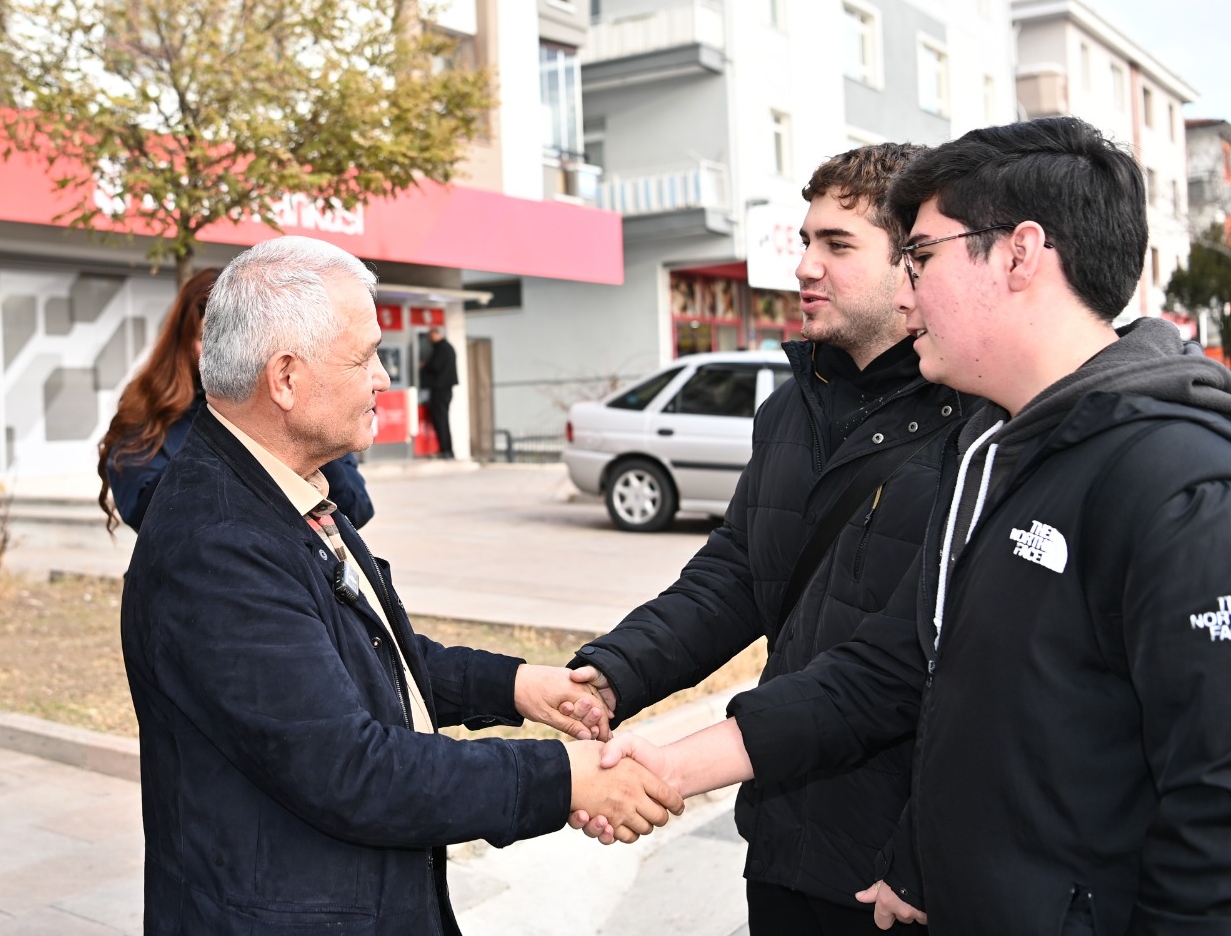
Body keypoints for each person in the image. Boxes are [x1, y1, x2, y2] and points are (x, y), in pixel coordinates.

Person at [587, 118, 1231, 934]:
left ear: (1018, 255)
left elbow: (1213, 816)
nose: (907, 289)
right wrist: (672, 763)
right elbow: (892, 673)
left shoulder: (1176, 476)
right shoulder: (993, 454)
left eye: (921, 256)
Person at [121, 236, 683, 935]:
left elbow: (364, 658)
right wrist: (567, 778)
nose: (383, 378)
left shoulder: (280, 490)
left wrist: (514, 687)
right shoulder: (218, 546)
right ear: (286, 379)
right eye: (364, 358)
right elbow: (349, 769)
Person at [564, 143, 966, 934]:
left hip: (906, 870)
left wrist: (681, 762)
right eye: (805, 242)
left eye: (838, 245)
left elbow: (914, 667)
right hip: (785, 839)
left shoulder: (978, 423)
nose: (805, 267)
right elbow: (738, 575)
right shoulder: (791, 409)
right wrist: (609, 676)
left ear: (912, 264)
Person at [99, 267, 372, 532]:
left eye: (236, 339)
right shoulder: (147, 409)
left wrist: (309, 429)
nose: (223, 350)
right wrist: (228, 432)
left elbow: (356, 509)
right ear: (182, 341)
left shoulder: (292, 405)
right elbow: (144, 514)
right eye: (208, 338)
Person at [420, 323, 458, 458]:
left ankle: (446, 450)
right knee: (444, 420)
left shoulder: (441, 349)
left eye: (430, 336)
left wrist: (424, 365)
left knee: (440, 420)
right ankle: (447, 450)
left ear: (436, 334)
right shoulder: (448, 348)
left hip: (440, 390)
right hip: (445, 390)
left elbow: (435, 366)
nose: (430, 340)